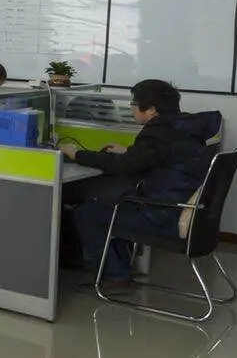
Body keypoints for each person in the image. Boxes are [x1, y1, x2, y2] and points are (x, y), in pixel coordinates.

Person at [62, 79, 221, 287]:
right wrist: (130, 152)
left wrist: (77, 154)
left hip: (163, 214)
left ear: (152, 110)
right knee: (108, 201)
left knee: (88, 213)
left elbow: (122, 166)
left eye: (134, 104)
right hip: (182, 208)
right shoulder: (183, 127)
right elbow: (162, 156)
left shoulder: (158, 134)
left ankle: (116, 274)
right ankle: (117, 267)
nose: (131, 109)